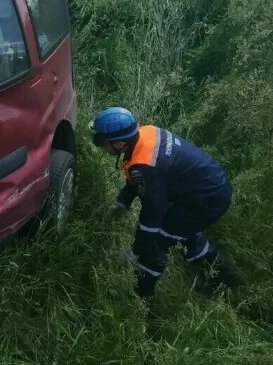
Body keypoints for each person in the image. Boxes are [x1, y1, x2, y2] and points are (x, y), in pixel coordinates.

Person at [91, 106, 238, 298]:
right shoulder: (145, 133)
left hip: (205, 200)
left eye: (105, 144)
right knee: (183, 233)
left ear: (119, 144)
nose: (103, 148)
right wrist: (123, 201)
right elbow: (137, 176)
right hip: (210, 188)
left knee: (155, 243)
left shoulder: (146, 165)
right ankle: (226, 279)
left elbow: (152, 218)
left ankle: (141, 298)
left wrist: (134, 251)